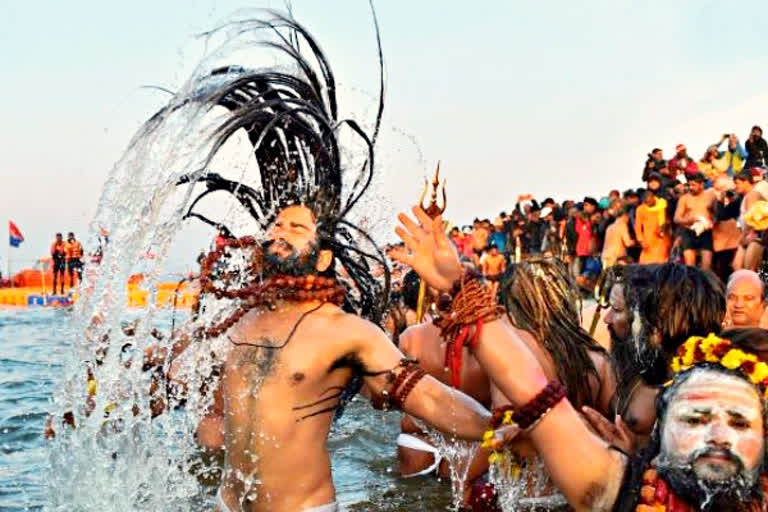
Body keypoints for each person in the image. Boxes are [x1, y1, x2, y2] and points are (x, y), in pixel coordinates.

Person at [167, 18, 497, 512]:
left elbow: (428, 399)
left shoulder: (347, 333)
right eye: (276, 226)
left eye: (295, 229)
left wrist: (508, 428)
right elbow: (205, 409)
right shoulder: (239, 321)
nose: (278, 232)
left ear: (323, 257)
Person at [391, 214, 764, 511]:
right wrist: (461, 287)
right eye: (693, 419)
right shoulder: (618, 477)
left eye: (739, 421)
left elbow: (535, 397)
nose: (718, 436)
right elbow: (541, 402)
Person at [674, 172, 717, 269]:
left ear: (702, 184)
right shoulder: (684, 198)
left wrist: (710, 223)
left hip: (706, 232)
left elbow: (717, 215)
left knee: (706, 264)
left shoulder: (711, 196)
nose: (690, 187)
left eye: (693, 185)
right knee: (690, 265)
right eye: (689, 185)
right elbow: (676, 218)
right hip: (689, 232)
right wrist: (690, 219)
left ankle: (704, 282)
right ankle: (691, 283)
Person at [634, 189, 670, 264]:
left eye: (649, 201)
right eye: (646, 202)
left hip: (663, 240)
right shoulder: (640, 209)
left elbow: (669, 220)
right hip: (648, 242)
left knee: (662, 265)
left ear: (653, 197)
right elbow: (638, 226)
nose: (648, 204)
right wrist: (641, 240)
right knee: (646, 265)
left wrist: (664, 225)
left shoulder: (663, 204)